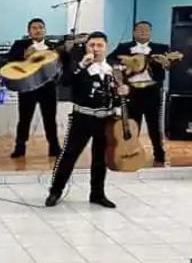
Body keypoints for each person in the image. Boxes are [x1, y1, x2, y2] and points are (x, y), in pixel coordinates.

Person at [45, 31, 129, 208]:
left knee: (100, 158)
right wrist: (82, 66)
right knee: (69, 155)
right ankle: (55, 190)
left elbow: (118, 95)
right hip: (82, 118)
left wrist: (124, 92)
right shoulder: (77, 66)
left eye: (100, 45)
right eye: (92, 45)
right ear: (86, 47)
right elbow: (64, 82)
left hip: (105, 120)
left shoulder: (112, 69)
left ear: (106, 47)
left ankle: (97, 193)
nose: (96, 49)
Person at [108, 21, 171, 166]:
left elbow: (171, 64)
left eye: (146, 30)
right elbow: (110, 59)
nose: (143, 32)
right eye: (140, 30)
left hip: (152, 91)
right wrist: (122, 65)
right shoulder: (124, 47)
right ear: (134, 32)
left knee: (154, 125)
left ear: (150, 32)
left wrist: (166, 63)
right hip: (132, 91)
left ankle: (159, 154)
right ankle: (130, 153)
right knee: (132, 124)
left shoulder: (161, 48)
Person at [7, 17, 62, 159]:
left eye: (40, 27)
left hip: (47, 88)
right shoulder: (20, 45)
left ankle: (54, 147)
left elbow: (60, 66)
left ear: (45, 30)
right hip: (27, 88)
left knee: (50, 118)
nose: (38, 30)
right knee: (24, 118)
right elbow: (10, 63)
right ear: (29, 31)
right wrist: (24, 57)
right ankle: (20, 147)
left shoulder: (53, 46)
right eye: (34, 28)